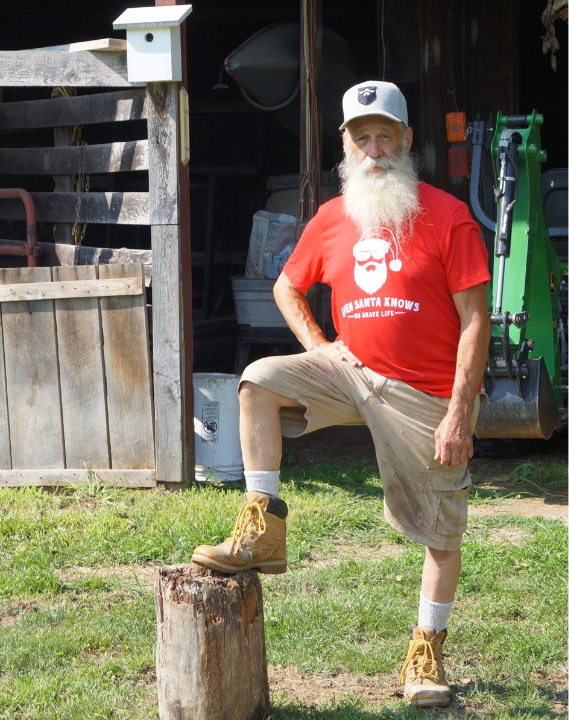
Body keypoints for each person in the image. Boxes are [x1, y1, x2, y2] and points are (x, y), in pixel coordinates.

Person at [191, 80, 492, 708]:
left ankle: (426, 655)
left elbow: (475, 320)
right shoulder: (331, 219)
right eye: (362, 138)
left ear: (408, 142)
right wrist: (317, 344)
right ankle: (262, 526)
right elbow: (286, 287)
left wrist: (461, 413)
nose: (374, 149)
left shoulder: (447, 215)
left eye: (386, 136)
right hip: (348, 368)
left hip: (424, 393)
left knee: (442, 534)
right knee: (258, 382)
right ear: (346, 148)